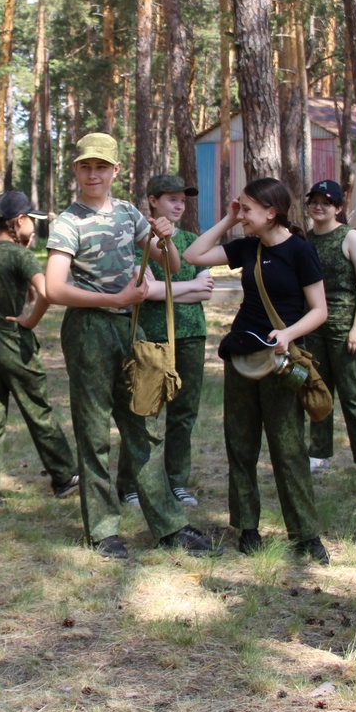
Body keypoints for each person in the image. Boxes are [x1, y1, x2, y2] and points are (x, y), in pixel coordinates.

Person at [45, 132, 217, 560]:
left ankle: (169, 526)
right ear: (76, 170)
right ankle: (103, 531)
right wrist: (113, 299)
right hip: (88, 328)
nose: (93, 174)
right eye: (85, 166)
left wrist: (163, 237)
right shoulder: (68, 221)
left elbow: (173, 267)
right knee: (94, 432)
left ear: (115, 171)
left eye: (101, 167)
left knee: (143, 426)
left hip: (130, 327)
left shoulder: (127, 213)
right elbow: (53, 288)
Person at [184, 177, 330, 563]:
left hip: (280, 362)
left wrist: (288, 333)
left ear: (272, 212)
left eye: (248, 209)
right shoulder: (247, 247)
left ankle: (306, 535)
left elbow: (320, 309)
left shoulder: (300, 251)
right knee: (241, 445)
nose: (243, 213)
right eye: (241, 208)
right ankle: (247, 528)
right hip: (241, 358)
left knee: (288, 449)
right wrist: (229, 220)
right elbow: (194, 256)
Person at [0, 190, 79, 509]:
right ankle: (63, 477)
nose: (34, 227)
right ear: (18, 221)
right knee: (39, 412)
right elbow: (49, 291)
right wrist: (31, 320)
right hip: (14, 344)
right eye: (31, 220)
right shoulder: (20, 256)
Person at [116, 174, 214, 507]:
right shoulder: (136, 239)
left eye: (183, 200)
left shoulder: (191, 239)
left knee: (183, 413)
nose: (179, 205)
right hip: (151, 335)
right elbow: (146, 290)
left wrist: (168, 291)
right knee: (143, 411)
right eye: (172, 198)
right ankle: (131, 483)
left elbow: (208, 288)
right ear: (153, 200)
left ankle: (176, 481)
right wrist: (188, 290)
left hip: (191, 335)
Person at [303, 180, 356, 480]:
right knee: (318, 392)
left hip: (345, 328)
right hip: (313, 329)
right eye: (314, 201)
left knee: (354, 395)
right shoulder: (306, 240)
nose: (319, 207)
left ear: (338, 207)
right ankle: (319, 453)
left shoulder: (350, 238)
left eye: (327, 202)